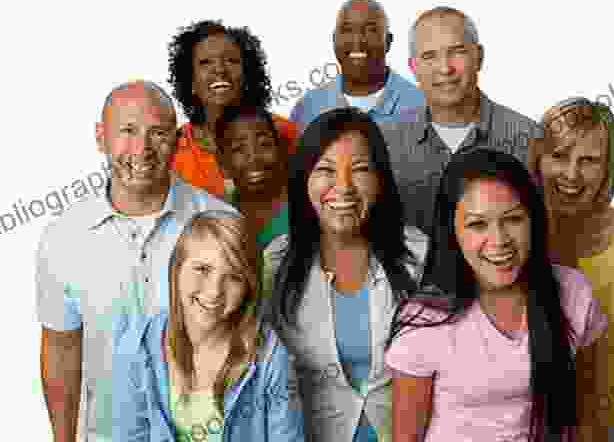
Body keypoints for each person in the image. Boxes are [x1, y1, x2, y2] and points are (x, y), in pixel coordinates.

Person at [36, 80, 238, 442]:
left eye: (157, 133)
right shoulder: (64, 237)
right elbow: (62, 349)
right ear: (101, 137)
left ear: (177, 141)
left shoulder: (221, 223)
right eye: (127, 131)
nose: (142, 149)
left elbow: (247, 345)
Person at [385, 148, 609, 442]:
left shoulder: (573, 292)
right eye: (478, 225)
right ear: (452, 232)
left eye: (513, 220)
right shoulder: (425, 319)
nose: (500, 240)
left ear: (533, 220)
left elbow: (587, 415)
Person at [264, 108, 429, 442]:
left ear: (380, 179)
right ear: (304, 179)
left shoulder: (419, 253)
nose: (343, 187)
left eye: (360, 169)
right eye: (325, 169)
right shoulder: (276, 262)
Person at [529, 97, 614, 442]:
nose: (571, 174)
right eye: (559, 156)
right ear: (538, 159)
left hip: (605, 428)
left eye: (589, 160)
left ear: (608, 167)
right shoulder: (511, 232)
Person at [111, 210, 304, 441]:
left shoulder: (270, 356)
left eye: (234, 277)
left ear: (249, 289)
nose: (214, 292)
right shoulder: (137, 345)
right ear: (177, 269)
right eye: (202, 269)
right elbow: (130, 435)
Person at [378, 7, 541, 235]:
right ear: (413, 67)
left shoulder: (529, 138)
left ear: (479, 57)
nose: (445, 68)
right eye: (429, 56)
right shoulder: (384, 142)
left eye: (457, 52)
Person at [168, 20, 298, 198]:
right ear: (190, 82)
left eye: (231, 60)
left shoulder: (284, 132)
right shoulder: (172, 150)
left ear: (247, 74)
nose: (220, 69)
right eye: (205, 62)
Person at [289, 0, 424, 134]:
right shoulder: (306, 109)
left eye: (370, 30)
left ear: (388, 42)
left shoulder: (422, 104)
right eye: (347, 30)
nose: (357, 41)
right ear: (334, 40)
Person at [213, 105, 289, 250]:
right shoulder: (218, 216)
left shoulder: (307, 208)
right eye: (238, 149)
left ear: (279, 149)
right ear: (222, 163)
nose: (254, 158)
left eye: (264, 144)